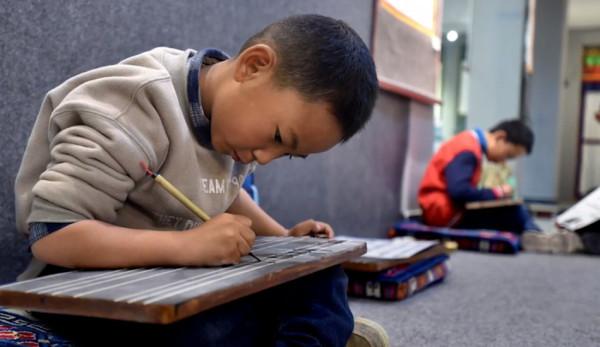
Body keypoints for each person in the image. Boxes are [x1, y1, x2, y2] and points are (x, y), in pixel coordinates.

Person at [14, 14, 379, 346]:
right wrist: (186, 246)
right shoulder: (131, 106)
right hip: (90, 291)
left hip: (178, 278)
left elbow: (222, 191)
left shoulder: (234, 125)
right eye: (280, 138)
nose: (267, 158)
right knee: (206, 329)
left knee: (321, 275)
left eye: (286, 153)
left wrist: (284, 240)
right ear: (253, 66)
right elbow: (53, 237)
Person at [418, 119, 539, 234]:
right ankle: (537, 235)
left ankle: (535, 234)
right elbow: (459, 191)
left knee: (521, 210)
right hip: (443, 213)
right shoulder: (468, 148)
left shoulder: (470, 144)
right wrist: (497, 192)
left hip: (449, 209)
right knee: (515, 212)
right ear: (500, 137)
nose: (505, 161)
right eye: (508, 155)